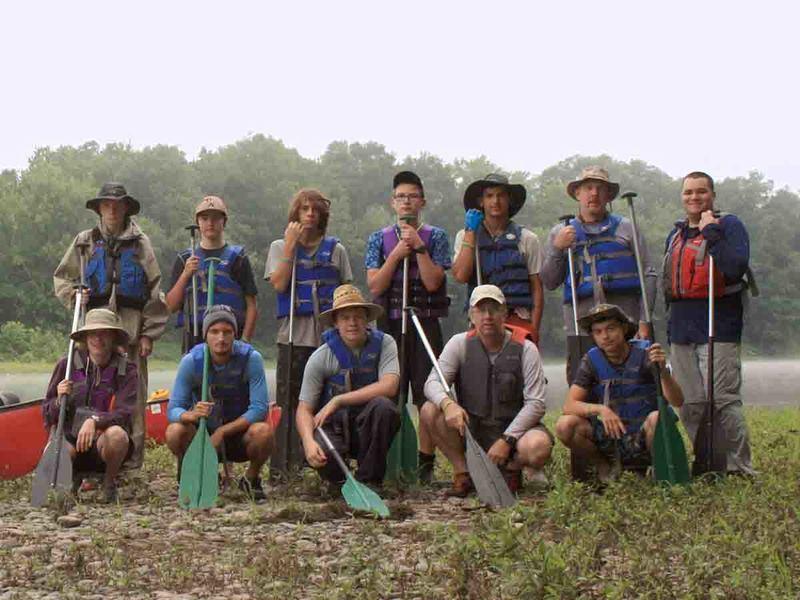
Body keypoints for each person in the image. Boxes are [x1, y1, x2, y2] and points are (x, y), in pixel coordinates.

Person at [54, 183, 168, 469]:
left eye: (118, 204)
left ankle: (131, 461)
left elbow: (155, 290)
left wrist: (149, 334)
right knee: (88, 388)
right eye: (107, 204)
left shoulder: (141, 243)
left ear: (127, 207)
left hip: (130, 326)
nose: (113, 209)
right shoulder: (84, 241)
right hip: (94, 325)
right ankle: (83, 457)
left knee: (135, 393)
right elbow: (62, 278)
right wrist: (73, 296)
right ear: (100, 208)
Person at [421, 285, 553, 496]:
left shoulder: (527, 349)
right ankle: (463, 473)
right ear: (471, 315)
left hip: (514, 432)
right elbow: (431, 383)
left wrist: (507, 440)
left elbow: (536, 404)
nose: (487, 316)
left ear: (505, 313)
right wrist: (448, 405)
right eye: (480, 310)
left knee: (538, 446)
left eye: (494, 309)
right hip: (473, 429)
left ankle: (512, 469)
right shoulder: (459, 344)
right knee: (430, 410)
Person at [663, 171, 755, 475]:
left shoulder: (729, 225)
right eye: (688, 192)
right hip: (681, 327)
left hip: (720, 324)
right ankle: (707, 460)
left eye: (701, 192)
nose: (694, 198)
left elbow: (734, 265)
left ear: (712, 195)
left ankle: (738, 466)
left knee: (723, 400)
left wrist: (711, 232)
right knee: (689, 403)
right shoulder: (675, 234)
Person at [365, 171, 451, 482]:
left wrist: (418, 248)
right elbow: (374, 286)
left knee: (426, 396)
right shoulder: (379, 238)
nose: (406, 201)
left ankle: (425, 463)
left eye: (412, 196)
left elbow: (432, 282)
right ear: (393, 202)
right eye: (401, 196)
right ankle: (389, 459)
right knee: (390, 395)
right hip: (390, 325)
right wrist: (397, 255)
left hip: (424, 322)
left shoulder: (437, 237)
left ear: (422, 201)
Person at [265, 188, 353, 478]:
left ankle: (327, 460)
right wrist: (291, 247)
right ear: (296, 214)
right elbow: (278, 284)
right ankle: (285, 466)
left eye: (315, 210)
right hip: (293, 337)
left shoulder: (336, 250)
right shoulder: (280, 246)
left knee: (328, 398)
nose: (310, 214)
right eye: (304, 209)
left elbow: (346, 293)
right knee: (289, 402)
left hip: (328, 339)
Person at [541, 166, 657, 377]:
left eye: (600, 188)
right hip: (582, 325)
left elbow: (647, 274)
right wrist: (558, 249)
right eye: (588, 188)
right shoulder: (561, 232)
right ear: (578, 193)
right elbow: (549, 281)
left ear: (608, 195)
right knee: (583, 383)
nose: (593, 193)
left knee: (635, 382)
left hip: (626, 323)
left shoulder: (627, 228)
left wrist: (644, 321)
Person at [555, 304, 684, 480]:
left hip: (645, 435)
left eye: (611, 329)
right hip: (613, 438)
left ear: (624, 329)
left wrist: (662, 371)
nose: (605, 337)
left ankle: (656, 467)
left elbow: (677, 401)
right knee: (565, 425)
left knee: (657, 418)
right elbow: (569, 405)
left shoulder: (647, 353)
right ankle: (605, 466)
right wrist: (601, 410)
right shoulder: (591, 360)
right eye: (598, 332)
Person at [296, 285, 400, 491]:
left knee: (384, 407)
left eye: (358, 317)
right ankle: (338, 481)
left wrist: (339, 400)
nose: (352, 323)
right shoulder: (321, 356)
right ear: (335, 323)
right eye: (345, 317)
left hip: (368, 426)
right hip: (333, 428)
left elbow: (389, 386)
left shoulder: (385, 343)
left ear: (367, 319)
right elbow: (304, 409)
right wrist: (308, 442)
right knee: (325, 454)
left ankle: (369, 481)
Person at [166, 305, 274, 500]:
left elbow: (259, 409)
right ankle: (204, 473)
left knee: (263, 432)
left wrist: (223, 432)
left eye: (227, 332)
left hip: (238, 434)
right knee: (174, 432)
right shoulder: (191, 361)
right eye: (214, 332)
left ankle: (250, 478)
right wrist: (191, 415)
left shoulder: (251, 359)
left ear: (235, 334)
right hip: (202, 435)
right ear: (206, 335)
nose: (221, 338)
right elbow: (173, 409)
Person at [43, 309, 138, 502]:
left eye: (104, 333)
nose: (98, 338)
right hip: (69, 440)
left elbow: (125, 413)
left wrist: (95, 421)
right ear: (85, 337)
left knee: (118, 436)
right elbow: (46, 413)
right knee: (55, 453)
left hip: (103, 443)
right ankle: (67, 483)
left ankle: (109, 484)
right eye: (93, 333)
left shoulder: (127, 370)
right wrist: (59, 399)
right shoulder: (66, 365)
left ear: (113, 337)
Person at [452, 173, 544, 344]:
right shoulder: (465, 236)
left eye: (501, 195)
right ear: (481, 202)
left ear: (509, 200)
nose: (495, 201)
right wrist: (471, 232)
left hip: (518, 317)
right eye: (490, 196)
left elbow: (537, 288)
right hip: (481, 319)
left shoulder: (527, 238)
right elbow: (460, 276)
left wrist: (534, 327)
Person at [166, 195, 259, 352]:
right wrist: (186, 274)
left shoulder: (238, 259)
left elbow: (252, 304)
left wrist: (245, 340)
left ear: (224, 222)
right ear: (198, 223)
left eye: (216, 218)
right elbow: (170, 306)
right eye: (205, 218)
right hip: (194, 335)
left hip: (229, 335)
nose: (210, 223)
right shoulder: (184, 259)